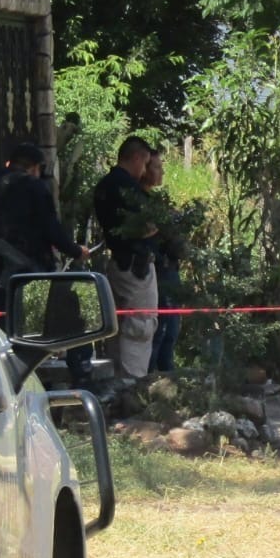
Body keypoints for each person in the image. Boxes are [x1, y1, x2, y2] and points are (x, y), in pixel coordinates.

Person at [0, 142, 85, 311]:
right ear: (35, 167)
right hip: (26, 273)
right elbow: (52, 229)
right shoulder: (34, 187)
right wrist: (77, 251)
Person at [92, 136, 159, 379]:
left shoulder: (104, 185)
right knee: (140, 327)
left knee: (117, 328)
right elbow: (147, 225)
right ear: (137, 157)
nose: (144, 171)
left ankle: (117, 386)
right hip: (136, 266)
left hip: (118, 264)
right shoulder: (128, 188)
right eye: (145, 164)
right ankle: (133, 386)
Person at [141, 151, 187, 373]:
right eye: (157, 167)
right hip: (156, 270)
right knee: (159, 332)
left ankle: (168, 378)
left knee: (171, 332)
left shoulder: (158, 201)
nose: (162, 172)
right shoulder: (141, 202)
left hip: (170, 268)